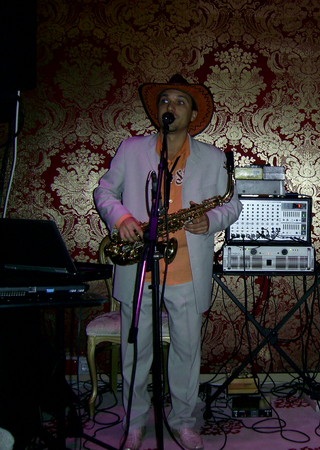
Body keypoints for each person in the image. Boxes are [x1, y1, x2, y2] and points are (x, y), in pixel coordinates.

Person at [94, 74, 242, 450]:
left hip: (187, 268)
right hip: (139, 267)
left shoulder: (213, 158)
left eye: (180, 101)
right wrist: (121, 219)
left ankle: (184, 421)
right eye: (165, 100)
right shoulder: (132, 149)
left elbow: (233, 205)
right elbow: (105, 190)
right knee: (136, 350)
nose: (170, 107)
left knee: (187, 351)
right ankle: (134, 422)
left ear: (192, 113)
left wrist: (210, 220)